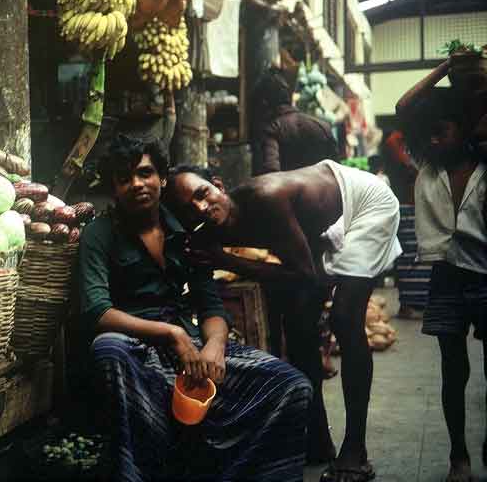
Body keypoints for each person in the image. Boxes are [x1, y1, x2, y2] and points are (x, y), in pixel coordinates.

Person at [76, 134, 312, 482]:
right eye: (124, 179)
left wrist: (215, 346)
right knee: (106, 348)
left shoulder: (185, 233)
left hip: (193, 347)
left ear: (162, 178)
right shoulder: (99, 234)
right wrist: (170, 334)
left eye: (145, 173)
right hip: (136, 348)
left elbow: (210, 303)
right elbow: (97, 312)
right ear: (114, 188)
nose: (137, 184)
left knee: (292, 387)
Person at [164, 159, 402, 482]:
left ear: (219, 185)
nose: (202, 207)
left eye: (203, 193)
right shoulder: (211, 227)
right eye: (190, 208)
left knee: (345, 318)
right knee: (299, 324)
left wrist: (225, 259)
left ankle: (354, 450)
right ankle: (318, 440)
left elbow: (303, 275)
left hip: (364, 202)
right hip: (320, 223)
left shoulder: (266, 197)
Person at [397, 82, 487, 482]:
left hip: (485, 277)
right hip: (446, 280)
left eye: (442, 131)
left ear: (465, 128)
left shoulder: (485, 166)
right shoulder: (427, 168)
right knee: (454, 372)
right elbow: (404, 106)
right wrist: (451, 68)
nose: (433, 140)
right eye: (428, 133)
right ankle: (459, 457)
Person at [251, 67, 340, 379]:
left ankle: (297, 380)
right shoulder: (321, 126)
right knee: (314, 308)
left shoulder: (272, 128)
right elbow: (337, 175)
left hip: (288, 233)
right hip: (324, 229)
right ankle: (311, 369)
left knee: (288, 316)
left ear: (263, 103)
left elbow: (271, 175)